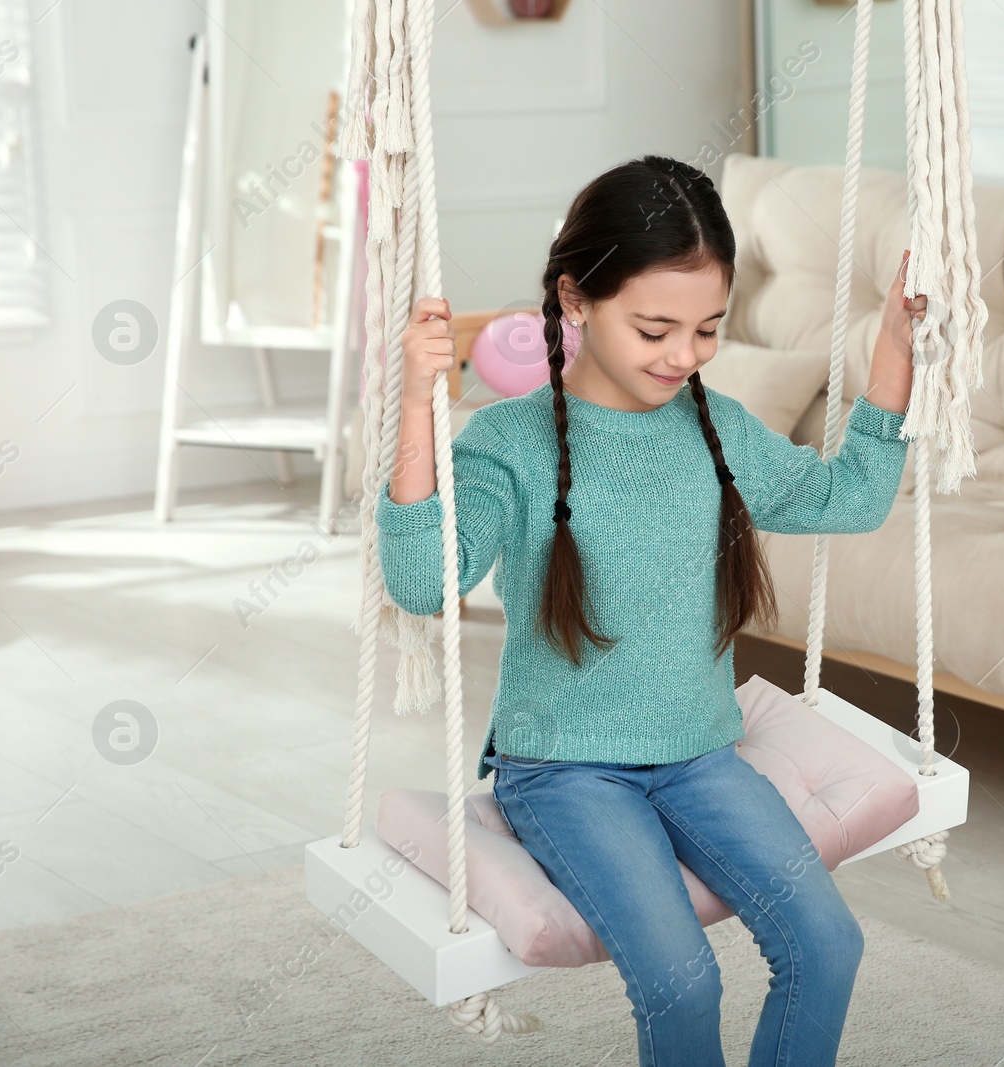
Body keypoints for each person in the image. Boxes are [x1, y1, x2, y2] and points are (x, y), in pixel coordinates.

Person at [377, 154, 928, 1067]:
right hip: (564, 773)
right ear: (576, 300)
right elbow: (422, 581)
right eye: (656, 328)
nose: (683, 356)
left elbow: (851, 500)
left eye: (707, 329)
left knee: (828, 944)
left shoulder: (715, 427)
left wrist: (894, 356)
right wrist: (412, 404)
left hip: (701, 755)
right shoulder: (508, 443)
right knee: (683, 979)